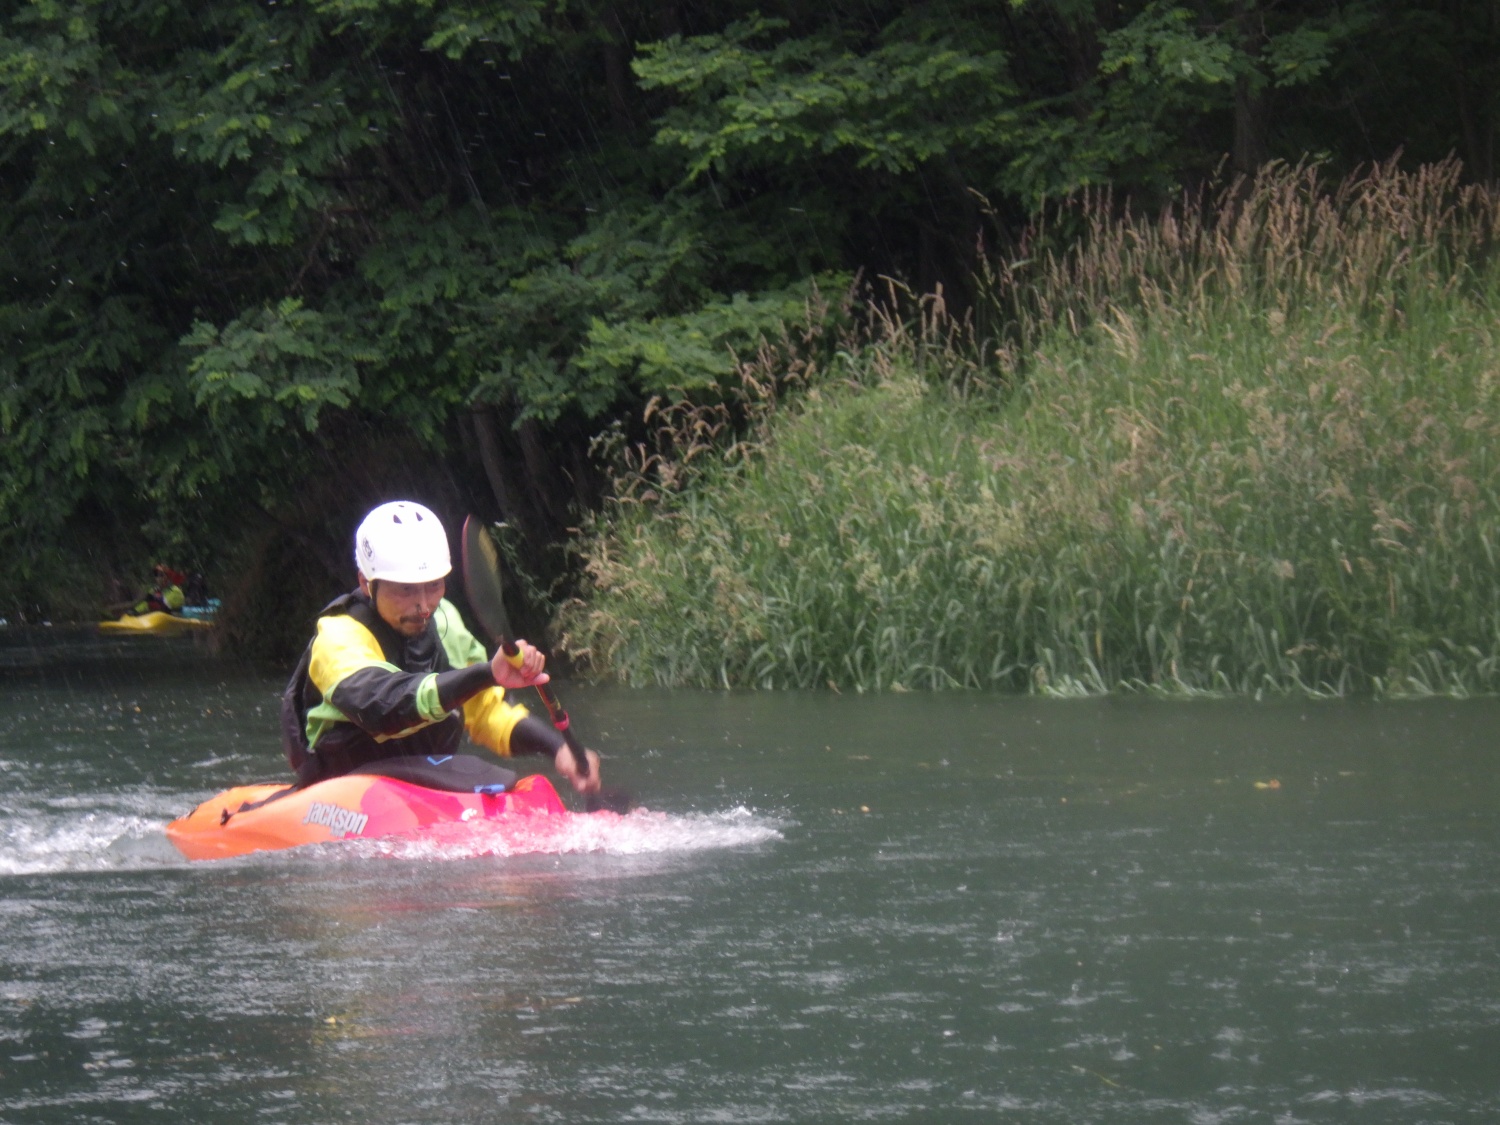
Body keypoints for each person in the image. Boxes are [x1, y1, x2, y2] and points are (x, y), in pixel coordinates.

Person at [280, 500, 601, 796]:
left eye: (434, 585)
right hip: (342, 790)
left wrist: (557, 748)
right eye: (406, 590)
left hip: (425, 789)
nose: (424, 606)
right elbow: (383, 705)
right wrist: (486, 673)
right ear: (366, 583)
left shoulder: (446, 620)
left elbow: (486, 713)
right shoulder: (337, 635)